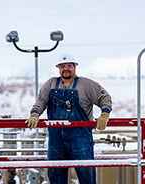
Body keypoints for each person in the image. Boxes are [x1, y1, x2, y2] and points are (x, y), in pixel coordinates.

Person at [25, 53, 112, 184]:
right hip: (56, 141)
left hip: (80, 140)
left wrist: (104, 114)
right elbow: (41, 100)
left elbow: (105, 98)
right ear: (59, 68)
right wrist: (35, 113)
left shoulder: (86, 85)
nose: (66, 69)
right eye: (62, 66)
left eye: (69, 66)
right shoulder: (51, 84)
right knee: (56, 176)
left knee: (86, 176)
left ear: (75, 67)